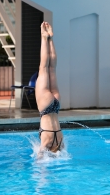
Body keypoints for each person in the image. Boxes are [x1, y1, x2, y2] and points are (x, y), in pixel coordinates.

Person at [35, 22, 64, 158]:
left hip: (56, 105)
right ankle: (44, 37)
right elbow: (39, 158)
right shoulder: (46, 143)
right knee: (43, 68)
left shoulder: (61, 143)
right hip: (46, 107)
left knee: (52, 69)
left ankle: (51, 38)